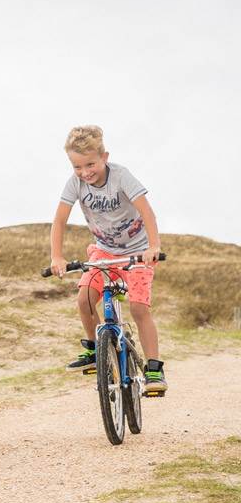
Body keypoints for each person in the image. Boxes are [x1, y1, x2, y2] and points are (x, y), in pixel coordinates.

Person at [49, 125, 167, 394]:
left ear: (104, 157)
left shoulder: (121, 176)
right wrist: (57, 256)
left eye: (90, 164)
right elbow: (59, 220)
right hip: (104, 251)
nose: (84, 172)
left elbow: (147, 212)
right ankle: (94, 348)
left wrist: (154, 246)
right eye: (77, 167)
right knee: (84, 298)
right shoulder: (75, 184)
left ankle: (153, 369)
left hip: (137, 251)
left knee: (139, 309)